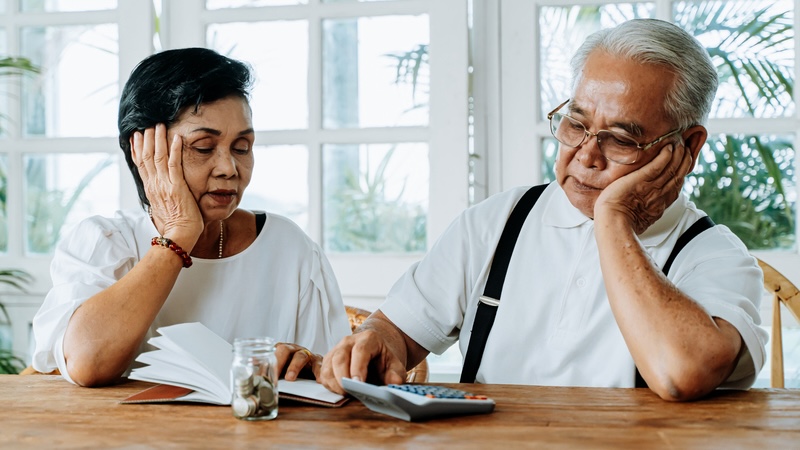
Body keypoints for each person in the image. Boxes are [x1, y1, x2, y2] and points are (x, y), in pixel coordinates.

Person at [320, 19, 768, 401]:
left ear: (688, 147)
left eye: (620, 139)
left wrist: (613, 221)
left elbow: (680, 374)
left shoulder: (716, 257)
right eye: (576, 123)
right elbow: (397, 330)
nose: (586, 155)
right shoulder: (496, 221)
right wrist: (374, 341)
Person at [31, 48, 351, 387]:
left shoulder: (289, 248)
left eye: (242, 147)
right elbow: (88, 363)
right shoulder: (104, 243)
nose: (229, 168)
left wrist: (308, 364)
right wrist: (179, 233)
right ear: (143, 150)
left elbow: (334, 380)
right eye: (203, 147)